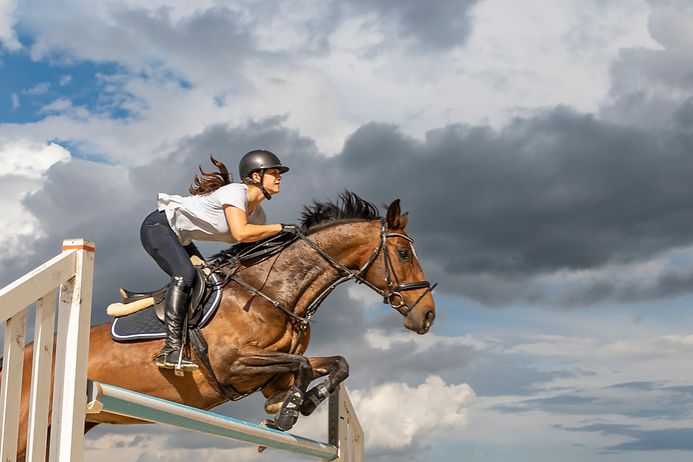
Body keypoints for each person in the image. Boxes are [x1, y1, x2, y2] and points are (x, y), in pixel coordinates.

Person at [140, 149, 291, 371]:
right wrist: (281, 228)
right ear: (256, 176)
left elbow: (250, 253)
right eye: (274, 172)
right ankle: (170, 349)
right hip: (159, 227)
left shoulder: (258, 215)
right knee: (186, 275)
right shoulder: (234, 192)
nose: (279, 177)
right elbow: (241, 233)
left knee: (210, 280)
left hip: (182, 239)